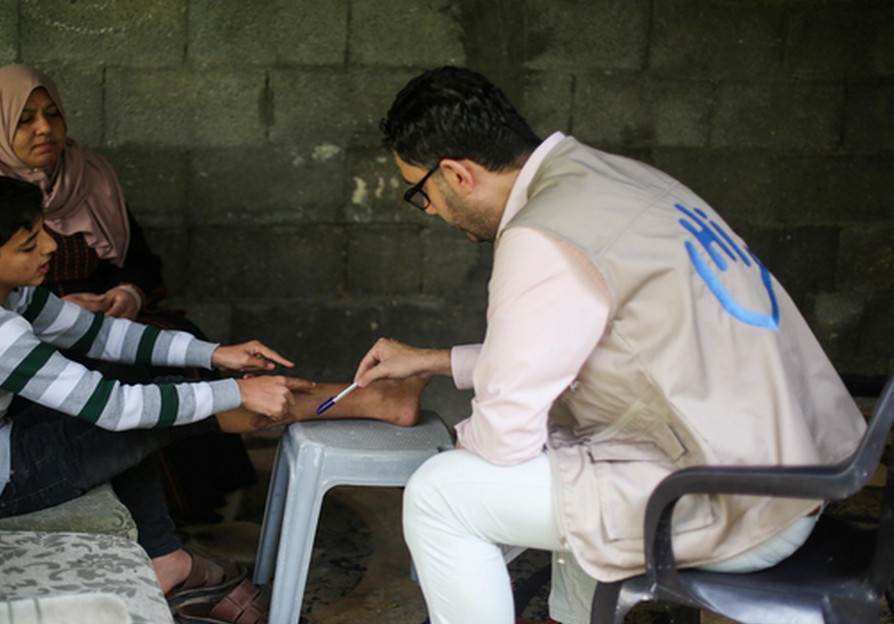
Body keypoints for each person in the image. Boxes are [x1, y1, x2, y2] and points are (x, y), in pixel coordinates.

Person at [352, 66, 867, 624]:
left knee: (441, 495)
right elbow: (590, 349)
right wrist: (436, 360)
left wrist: (463, 445)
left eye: (419, 193)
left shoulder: (541, 232)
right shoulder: (616, 180)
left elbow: (504, 440)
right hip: (794, 473)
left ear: (456, 174)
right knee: (572, 448)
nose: (427, 209)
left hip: (731, 502)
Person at [0, 172, 426, 621]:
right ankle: (371, 401)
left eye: (43, 230)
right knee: (152, 410)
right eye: (30, 244)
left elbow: (95, 334)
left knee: (138, 391)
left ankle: (164, 554)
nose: (50, 245)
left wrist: (214, 355)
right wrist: (233, 390)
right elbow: (117, 410)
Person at [0, 63, 250, 522]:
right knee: (119, 387)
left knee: (182, 343)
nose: (44, 128)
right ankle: (169, 527)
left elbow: (141, 260)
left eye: (53, 114)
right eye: (25, 118)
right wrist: (44, 313)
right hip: (23, 333)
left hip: (90, 314)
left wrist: (130, 294)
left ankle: (200, 503)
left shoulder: (88, 173)